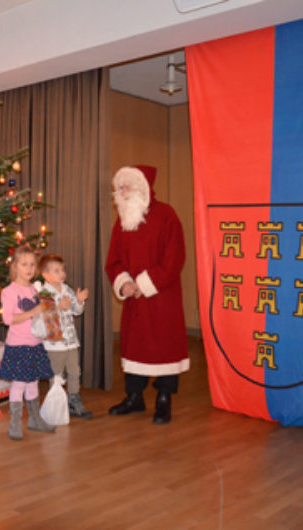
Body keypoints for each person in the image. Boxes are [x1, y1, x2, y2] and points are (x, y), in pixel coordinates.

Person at [105, 165, 189, 424]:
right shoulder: (122, 220)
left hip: (162, 296)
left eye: (127, 186)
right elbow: (114, 260)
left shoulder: (167, 215)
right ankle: (135, 397)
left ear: (143, 188)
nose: (123, 192)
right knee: (134, 347)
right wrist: (125, 283)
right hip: (135, 300)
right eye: (120, 187)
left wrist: (146, 284)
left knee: (164, 347)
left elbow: (175, 259)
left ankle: (164, 399)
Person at [0, 245, 55, 440]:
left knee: (33, 382)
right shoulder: (9, 291)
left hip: (35, 343)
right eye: (24, 264)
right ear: (15, 267)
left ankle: (34, 419)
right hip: (18, 344)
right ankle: (14, 423)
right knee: (19, 384)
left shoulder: (35, 289)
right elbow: (8, 319)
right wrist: (33, 312)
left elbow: (42, 314)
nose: (29, 268)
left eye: (32, 264)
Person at [36, 254, 92, 419]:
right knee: (57, 374)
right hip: (55, 344)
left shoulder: (66, 288)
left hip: (71, 341)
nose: (62, 273)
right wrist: (58, 307)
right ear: (45, 274)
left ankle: (74, 401)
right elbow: (45, 318)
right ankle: (56, 404)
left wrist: (80, 301)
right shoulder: (44, 292)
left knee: (75, 371)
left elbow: (76, 311)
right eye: (57, 270)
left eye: (62, 270)